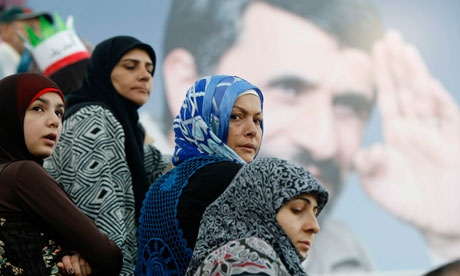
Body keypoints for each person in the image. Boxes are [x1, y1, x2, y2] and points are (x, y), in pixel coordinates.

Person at [147, 0, 460, 272]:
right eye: (290, 89)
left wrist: (451, 239)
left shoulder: (342, 253)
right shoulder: (112, 207)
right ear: (187, 81)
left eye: (347, 105)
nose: (323, 142)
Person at [44, 36, 170, 276]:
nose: (145, 76)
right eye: (130, 66)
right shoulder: (93, 118)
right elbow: (102, 214)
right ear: (103, 70)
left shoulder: (125, 124)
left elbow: (154, 164)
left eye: (150, 70)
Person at [136, 75, 264, 275]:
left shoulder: (165, 181)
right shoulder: (235, 178)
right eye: (236, 116)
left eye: (257, 120)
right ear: (205, 119)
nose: (252, 131)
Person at [0, 73, 122, 276]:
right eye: (38, 108)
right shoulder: (24, 174)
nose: (54, 122)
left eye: (59, 113)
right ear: (9, 114)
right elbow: (108, 256)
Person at [186, 157, 329, 276]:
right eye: (297, 210)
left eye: (315, 213)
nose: (314, 226)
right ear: (256, 209)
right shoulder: (246, 258)